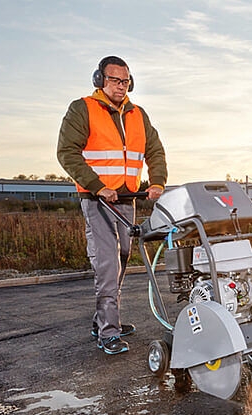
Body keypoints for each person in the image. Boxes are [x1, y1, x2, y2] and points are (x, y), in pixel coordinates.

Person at [57, 56, 167, 355]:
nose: (121, 86)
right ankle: (108, 332)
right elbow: (67, 152)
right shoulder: (82, 109)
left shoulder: (137, 115)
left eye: (126, 81)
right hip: (98, 200)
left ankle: (103, 320)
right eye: (115, 80)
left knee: (121, 256)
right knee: (107, 263)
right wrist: (97, 185)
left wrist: (156, 181)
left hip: (128, 199)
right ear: (99, 80)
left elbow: (154, 150)